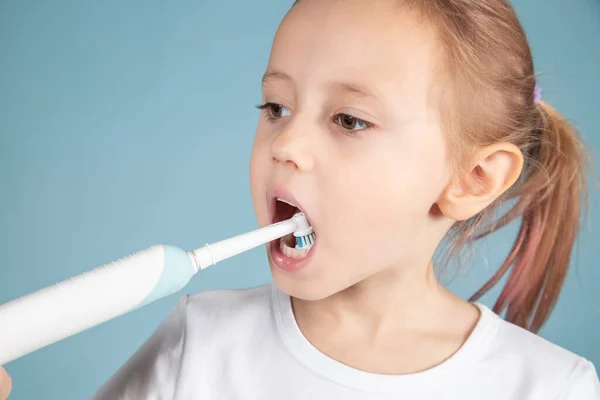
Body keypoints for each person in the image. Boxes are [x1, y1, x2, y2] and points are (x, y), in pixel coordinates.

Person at [3, 0, 599, 398]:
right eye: (276, 108)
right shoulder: (202, 343)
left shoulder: (552, 388)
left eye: (348, 119)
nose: (285, 143)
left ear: (473, 179)